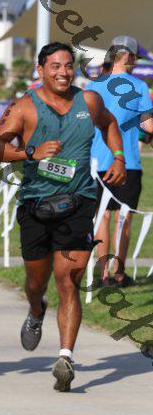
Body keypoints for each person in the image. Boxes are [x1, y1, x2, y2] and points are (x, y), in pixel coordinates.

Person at [0, 42, 126, 392]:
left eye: (68, 66)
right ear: (40, 70)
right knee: (37, 281)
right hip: (36, 205)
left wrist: (119, 157)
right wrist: (30, 152)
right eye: (55, 66)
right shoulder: (23, 107)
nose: (63, 73)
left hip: (79, 202)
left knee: (68, 279)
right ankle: (36, 310)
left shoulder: (89, 101)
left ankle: (65, 358)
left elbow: (109, 124)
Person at [86, 36, 153, 287]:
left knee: (101, 216)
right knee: (123, 218)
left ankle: (103, 275)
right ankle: (119, 274)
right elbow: (149, 126)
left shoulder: (93, 85)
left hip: (97, 162)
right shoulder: (139, 87)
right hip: (127, 162)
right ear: (129, 57)